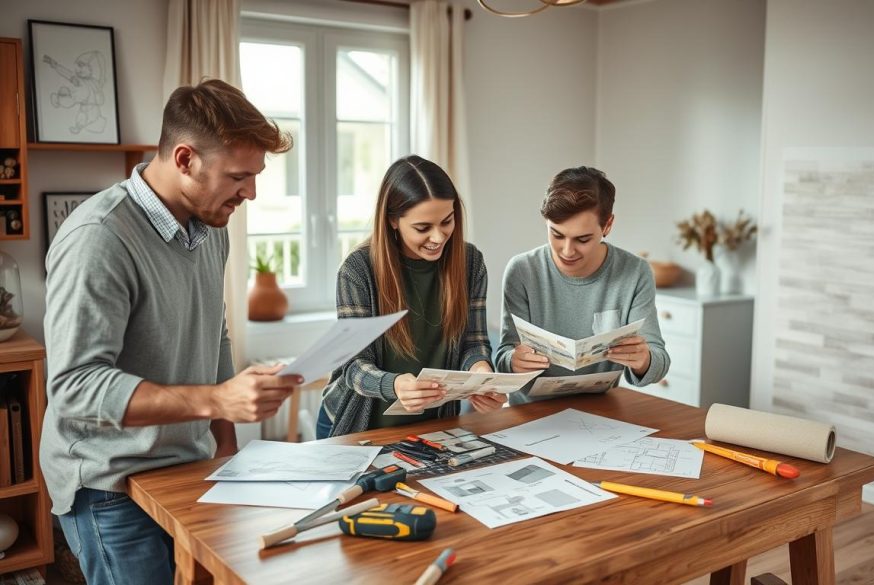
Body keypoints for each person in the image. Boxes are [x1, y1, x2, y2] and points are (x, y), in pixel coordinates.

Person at [41, 79, 303, 585]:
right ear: (184, 159)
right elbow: (76, 387)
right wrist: (216, 401)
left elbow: (214, 335)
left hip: (188, 469)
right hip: (110, 482)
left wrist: (226, 448)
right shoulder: (99, 238)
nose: (251, 192)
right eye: (238, 176)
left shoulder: (209, 230)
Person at [316, 155, 504, 438]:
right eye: (423, 228)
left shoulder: (470, 263)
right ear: (393, 220)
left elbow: (473, 341)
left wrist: (480, 373)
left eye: (447, 221)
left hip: (433, 424)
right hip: (355, 425)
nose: (439, 237)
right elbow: (353, 367)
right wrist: (395, 385)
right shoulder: (358, 270)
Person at [495, 166, 670, 403]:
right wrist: (513, 361)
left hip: (601, 411)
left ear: (607, 225)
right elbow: (504, 356)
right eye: (556, 235)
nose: (567, 251)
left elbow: (659, 362)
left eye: (583, 239)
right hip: (530, 413)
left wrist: (644, 360)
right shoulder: (522, 270)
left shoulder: (635, 272)